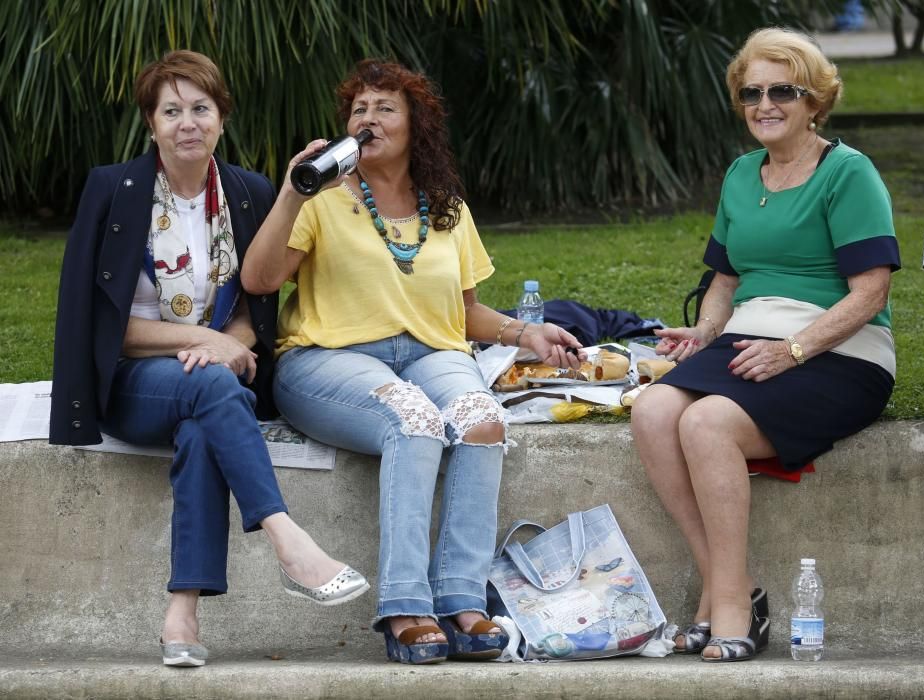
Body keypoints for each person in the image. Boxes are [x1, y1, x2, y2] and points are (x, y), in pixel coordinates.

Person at [241, 59, 584, 664]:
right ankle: (404, 607)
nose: (368, 120)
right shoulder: (319, 197)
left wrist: (525, 332)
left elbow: (465, 311)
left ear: (415, 124)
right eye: (359, 110)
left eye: (384, 108)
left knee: (482, 420)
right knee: (415, 421)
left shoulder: (445, 206)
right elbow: (260, 279)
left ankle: (461, 601)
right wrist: (294, 190)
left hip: (431, 350)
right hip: (329, 358)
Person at [49, 50, 369, 668]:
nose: (186, 122)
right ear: (151, 123)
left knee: (204, 419)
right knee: (211, 388)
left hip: (212, 383)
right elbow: (98, 325)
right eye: (171, 111)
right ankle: (289, 541)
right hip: (132, 383)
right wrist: (202, 344)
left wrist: (235, 343)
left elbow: (257, 302)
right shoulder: (112, 191)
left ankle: (183, 614)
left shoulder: (248, 192)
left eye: (200, 108)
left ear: (221, 117)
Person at [631, 28, 899, 663]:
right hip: (750, 336)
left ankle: (724, 607)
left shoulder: (848, 173)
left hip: (839, 348)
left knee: (707, 422)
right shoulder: (741, 173)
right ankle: (736, 587)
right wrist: (704, 333)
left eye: (783, 90)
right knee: (652, 410)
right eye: (751, 93)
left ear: (815, 100)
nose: (764, 104)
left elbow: (870, 294)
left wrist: (795, 350)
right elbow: (725, 280)